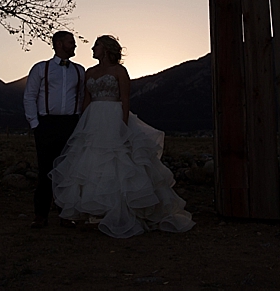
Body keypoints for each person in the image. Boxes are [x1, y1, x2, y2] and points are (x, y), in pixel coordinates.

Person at [49, 35, 195, 238]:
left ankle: (120, 212)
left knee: (119, 162)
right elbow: (86, 100)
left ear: (106, 49)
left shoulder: (119, 71)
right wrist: (82, 124)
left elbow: (125, 99)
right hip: (93, 120)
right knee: (92, 162)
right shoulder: (89, 72)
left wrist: (123, 125)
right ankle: (95, 211)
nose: (92, 49)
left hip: (113, 116)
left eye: (96, 45)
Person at [23, 30, 85, 228]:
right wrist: (36, 125)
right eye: (71, 42)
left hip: (71, 125)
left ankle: (66, 214)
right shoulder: (41, 68)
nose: (74, 45)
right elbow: (29, 96)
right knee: (45, 171)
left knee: (68, 171)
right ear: (59, 44)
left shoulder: (80, 71)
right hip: (47, 124)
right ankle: (40, 216)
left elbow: (83, 98)